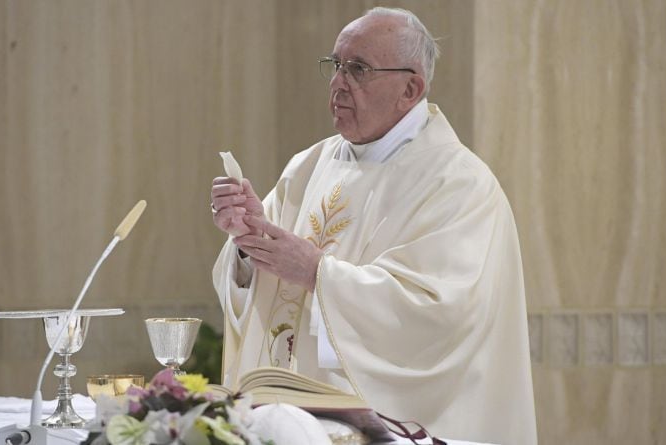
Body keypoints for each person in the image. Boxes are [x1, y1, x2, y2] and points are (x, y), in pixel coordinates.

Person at [210, 7, 536, 445]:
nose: (338, 83)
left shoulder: (460, 185)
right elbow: (257, 284)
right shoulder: (308, 166)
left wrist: (316, 272)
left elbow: (438, 316)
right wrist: (248, 243)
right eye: (336, 65)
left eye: (358, 69)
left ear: (411, 88)